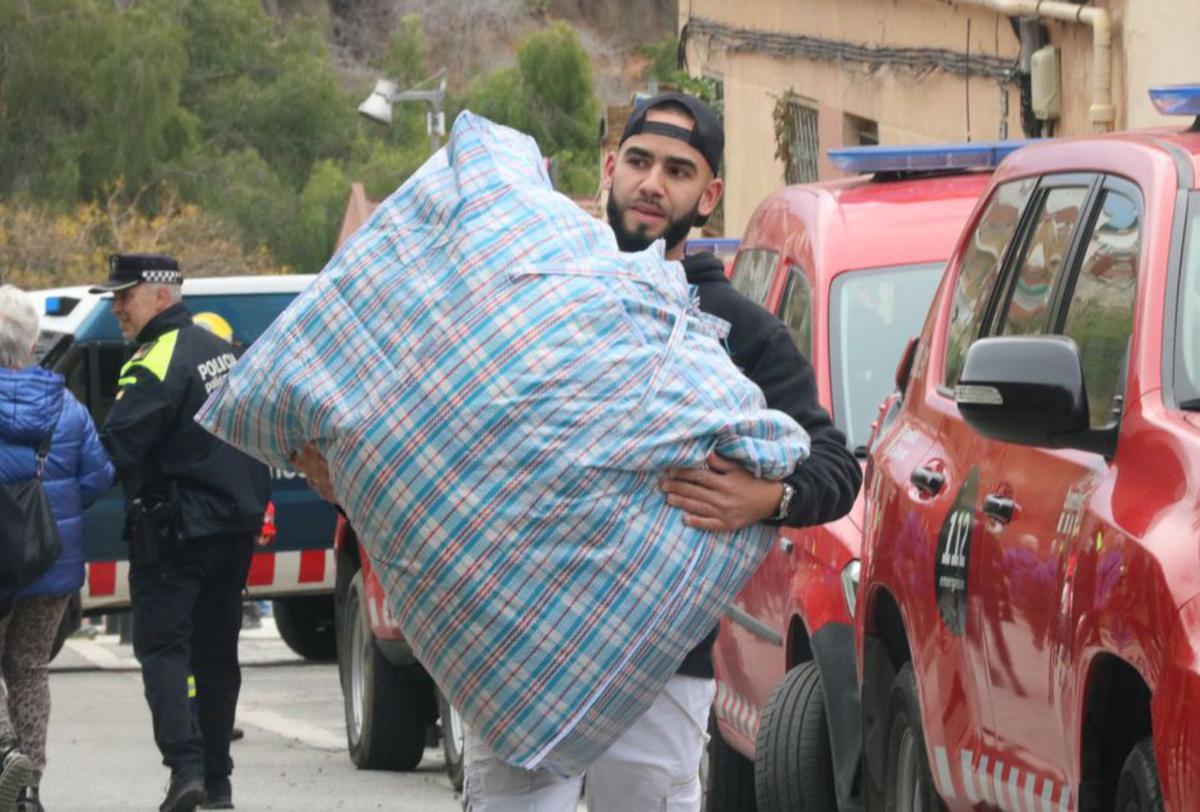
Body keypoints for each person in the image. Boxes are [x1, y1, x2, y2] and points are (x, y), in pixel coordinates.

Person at [296, 92, 862, 811]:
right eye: (639, 162)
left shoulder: (738, 330)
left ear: (709, 196)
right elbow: (444, 434)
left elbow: (836, 470)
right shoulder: (536, 294)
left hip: (661, 663)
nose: (653, 183)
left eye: (679, 171)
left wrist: (766, 497)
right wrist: (345, 473)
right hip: (520, 649)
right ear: (608, 170)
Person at [90, 255, 270, 812]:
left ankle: (186, 771)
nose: (117, 307)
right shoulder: (225, 353)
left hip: (174, 533)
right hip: (233, 529)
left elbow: (115, 448)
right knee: (216, 657)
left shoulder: (153, 359)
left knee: (164, 649)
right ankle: (217, 785)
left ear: (162, 296)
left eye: (126, 295)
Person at [0, 284, 115, 812]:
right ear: (31, 342)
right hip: (51, 561)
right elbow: (98, 478)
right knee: (29, 667)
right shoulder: (66, 406)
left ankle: (3, 755)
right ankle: (29, 788)